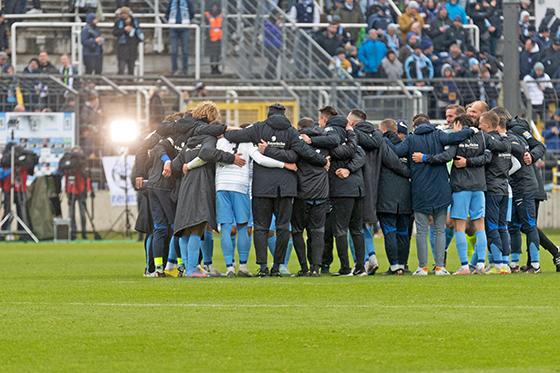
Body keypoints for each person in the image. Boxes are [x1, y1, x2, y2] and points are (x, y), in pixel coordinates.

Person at [224, 104, 328, 277]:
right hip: (286, 187)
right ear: (284, 114)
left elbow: (232, 135)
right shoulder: (291, 131)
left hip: (262, 187)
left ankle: (263, 267)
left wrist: (221, 129)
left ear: (269, 114)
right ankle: (277, 266)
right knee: (282, 227)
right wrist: (322, 161)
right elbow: (299, 154)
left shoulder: (258, 128)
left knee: (260, 227)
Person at [389, 114, 475, 276]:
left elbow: (396, 151)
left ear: (415, 127)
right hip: (441, 189)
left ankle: (422, 267)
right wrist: (470, 129)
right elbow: (456, 137)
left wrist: (386, 138)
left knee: (421, 230)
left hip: (420, 189)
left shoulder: (411, 139)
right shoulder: (439, 135)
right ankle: (440, 267)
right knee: (439, 229)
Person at [172, 103, 246, 278]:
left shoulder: (189, 141)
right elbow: (206, 154)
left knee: (184, 228)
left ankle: (187, 267)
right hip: (201, 184)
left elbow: (176, 165)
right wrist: (231, 158)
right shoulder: (209, 138)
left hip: (186, 185)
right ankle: (192, 270)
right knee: (197, 227)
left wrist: (177, 165)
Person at [292, 117, 337, 276]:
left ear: (299, 128)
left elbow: (290, 158)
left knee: (297, 230)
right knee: (317, 231)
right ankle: (316, 268)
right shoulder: (326, 142)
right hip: (321, 193)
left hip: (302, 193)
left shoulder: (297, 142)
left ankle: (304, 267)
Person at [347, 109, 382, 274]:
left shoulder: (352, 137)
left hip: (355, 186)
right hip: (373, 186)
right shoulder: (377, 137)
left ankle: (360, 262)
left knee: (352, 226)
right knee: (361, 225)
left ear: (353, 123)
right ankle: (372, 256)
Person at [477, 111, 512, 274]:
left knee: (492, 226)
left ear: (488, 125)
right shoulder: (505, 140)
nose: (478, 126)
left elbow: (487, 159)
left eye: (481, 123)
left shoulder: (489, 140)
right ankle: (505, 263)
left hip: (492, 188)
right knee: (502, 226)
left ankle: (498, 264)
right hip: (504, 188)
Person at [377, 119, 412, 275]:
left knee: (390, 231)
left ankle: (394, 266)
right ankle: (403, 264)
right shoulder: (408, 144)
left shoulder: (382, 143)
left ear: (383, 129)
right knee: (403, 231)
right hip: (406, 194)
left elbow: (392, 164)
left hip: (386, 194)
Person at [59, 147, 91, 240]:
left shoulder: (83, 161)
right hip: (71, 189)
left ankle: (84, 233)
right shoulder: (67, 161)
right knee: (71, 213)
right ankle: (73, 233)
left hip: (81, 189)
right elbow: (62, 170)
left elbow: (86, 175)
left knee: (82, 213)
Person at [165, 0, 195, 76]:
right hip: (173, 28)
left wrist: (186, 21)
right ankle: (174, 69)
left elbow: (192, 13)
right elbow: (167, 13)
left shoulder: (188, 2)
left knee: (185, 50)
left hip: (184, 28)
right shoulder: (172, 2)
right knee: (174, 51)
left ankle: (185, 70)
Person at [113, 7, 144, 75]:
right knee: (121, 65)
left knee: (131, 65)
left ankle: (131, 80)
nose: (123, 15)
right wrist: (124, 29)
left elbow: (139, 32)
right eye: (122, 13)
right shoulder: (118, 22)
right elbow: (115, 32)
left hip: (132, 46)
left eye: (125, 13)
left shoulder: (135, 21)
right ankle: (120, 80)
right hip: (122, 46)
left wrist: (133, 30)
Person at [204, 2, 223, 75]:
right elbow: (205, 15)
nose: (215, 9)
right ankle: (212, 68)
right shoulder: (208, 16)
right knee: (212, 55)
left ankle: (217, 68)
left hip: (219, 38)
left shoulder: (220, 16)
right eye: (213, 7)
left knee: (218, 55)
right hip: (211, 38)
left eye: (216, 7)